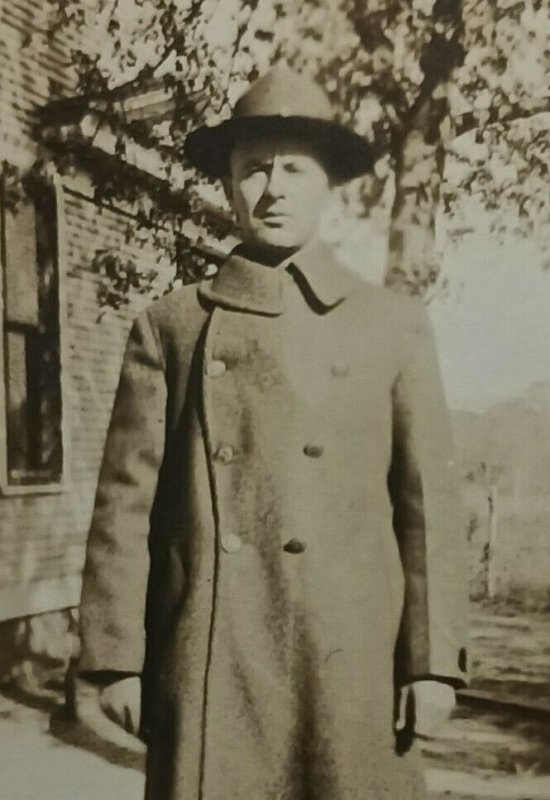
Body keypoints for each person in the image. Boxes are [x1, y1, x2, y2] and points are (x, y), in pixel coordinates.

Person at [71, 65, 469, 800]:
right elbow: (126, 507)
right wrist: (116, 657)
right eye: (255, 170)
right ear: (228, 185)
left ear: (328, 187)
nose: (274, 188)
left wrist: (431, 662)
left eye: (294, 170)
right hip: (212, 652)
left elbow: (428, 508)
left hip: (351, 655)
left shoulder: (393, 325)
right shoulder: (173, 325)